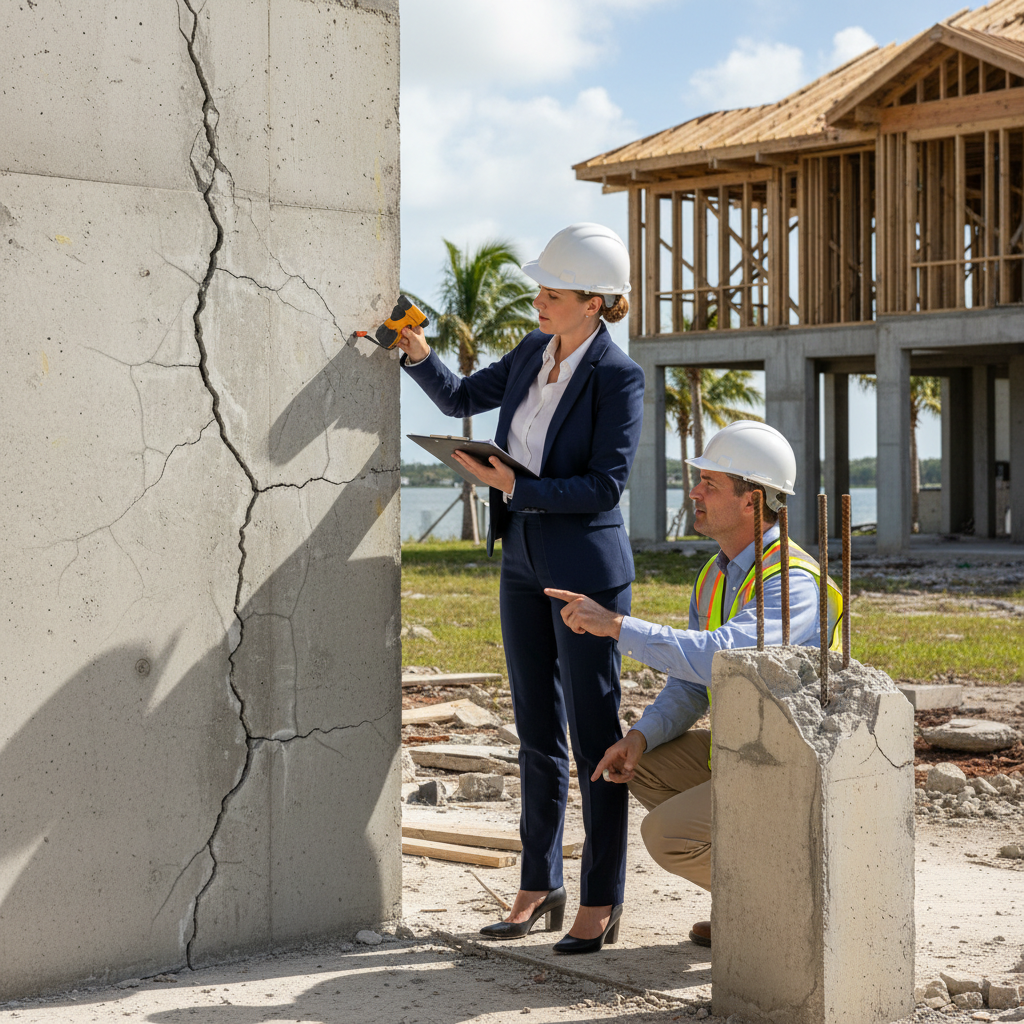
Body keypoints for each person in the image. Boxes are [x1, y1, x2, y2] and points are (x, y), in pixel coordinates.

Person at [396, 224, 645, 954]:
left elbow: (605, 484)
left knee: (594, 738)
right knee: (536, 733)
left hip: (586, 570)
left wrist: (518, 486)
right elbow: (460, 398)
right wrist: (419, 356)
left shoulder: (617, 376)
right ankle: (539, 885)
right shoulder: (534, 352)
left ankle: (601, 898)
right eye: (539, 289)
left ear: (594, 303)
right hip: (523, 560)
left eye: (552, 293)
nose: (536, 300)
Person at [545, 420, 841, 949]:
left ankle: (772, 904)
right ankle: (746, 896)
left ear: (752, 500)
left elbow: (722, 658)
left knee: (667, 836)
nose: (695, 492)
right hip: (749, 744)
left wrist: (614, 625)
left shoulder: (793, 581)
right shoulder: (716, 574)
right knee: (646, 766)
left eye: (710, 483)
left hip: (795, 760)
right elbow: (692, 681)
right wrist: (641, 737)